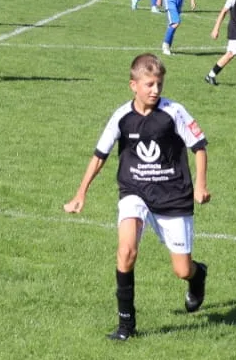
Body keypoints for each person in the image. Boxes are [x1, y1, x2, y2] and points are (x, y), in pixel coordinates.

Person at [63, 53, 210, 341]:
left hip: (173, 195)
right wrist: (81, 193)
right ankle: (126, 325)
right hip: (134, 191)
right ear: (134, 85)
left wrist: (200, 185)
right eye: (149, 84)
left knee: (182, 270)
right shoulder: (122, 117)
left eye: (159, 84)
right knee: (126, 252)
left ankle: (198, 275)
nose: (155, 90)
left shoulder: (174, 112)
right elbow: (100, 154)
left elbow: (199, 147)